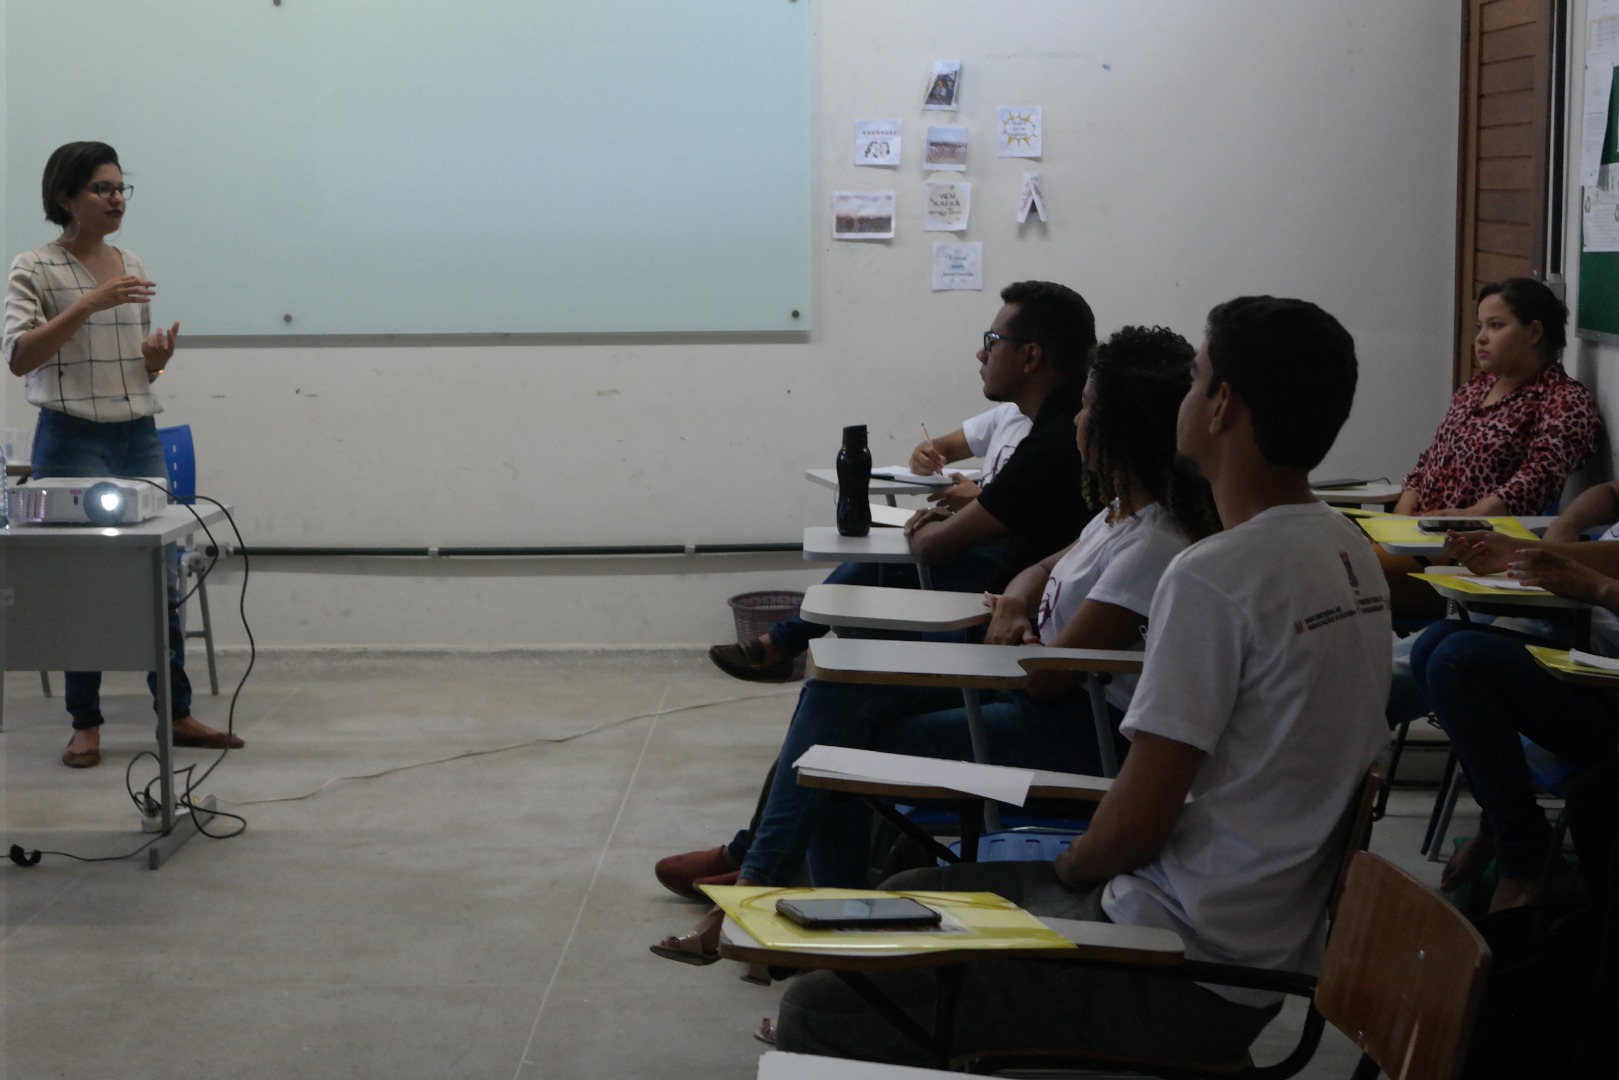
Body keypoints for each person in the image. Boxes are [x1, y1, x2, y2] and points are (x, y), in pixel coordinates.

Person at [770, 296, 1391, 1066]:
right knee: (910, 890)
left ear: (1221, 405)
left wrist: (1061, 879)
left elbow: (1134, 824)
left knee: (820, 1009)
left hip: (1175, 965)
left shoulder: (1215, 575)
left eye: (1197, 379)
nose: (1184, 399)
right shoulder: (1344, 547)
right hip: (1249, 948)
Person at [651, 325, 1220, 965]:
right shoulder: (1121, 514)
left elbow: (1048, 678)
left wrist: (1022, 629)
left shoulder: (1153, 544)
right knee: (835, 697)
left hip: (1079, 730)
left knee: (835, 747)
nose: (1077, 420)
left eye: (1088, 408)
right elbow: (1045, 569)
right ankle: (779, 909)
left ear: (1118, 429)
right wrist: (1019, 599)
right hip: (1034, 691)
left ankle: (792, 918)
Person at [707, 280, 1097, 683]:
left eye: (993, 342)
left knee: (865, 615)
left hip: (1012, 613)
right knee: (869, 589)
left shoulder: (1053, 442)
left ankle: (786, 647)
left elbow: (931, 548)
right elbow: (963, 465)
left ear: (1030, 356)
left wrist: (926, 525)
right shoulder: (1040, 421)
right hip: (1012, 586)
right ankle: (786, 645)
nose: (982, 353)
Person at [1, 141, 242, 768]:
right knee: (80, 582)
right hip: (71, 436)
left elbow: (131, 366)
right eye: (101, 189)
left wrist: (154, 362)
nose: (116, 200)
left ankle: (176, 713)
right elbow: (20, 357)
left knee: (161, 576)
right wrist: (87, 303)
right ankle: (85, 723)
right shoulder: (34, 266)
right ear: (65, 198)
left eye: (120, 188)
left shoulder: (129, 263)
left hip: (137, 435)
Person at [1411, 510, 1619, 911]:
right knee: (1433, 644)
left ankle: (1523, 857)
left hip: (1609, 687)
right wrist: (1520, 553)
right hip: (1593, 661)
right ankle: (1509, 831)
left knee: (1457, 659)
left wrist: (1597, 587)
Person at [1381, 278, 1599, 616]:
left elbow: (1539, 478)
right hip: (1418, 534)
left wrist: (1472, 516)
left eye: (1495, 326)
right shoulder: (1476, 388)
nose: (1481, 338)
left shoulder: (1564, 400)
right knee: (1333, 554)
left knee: (1346, 573)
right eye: (1480, 326)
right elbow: (1430, 458)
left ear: (1534, 332)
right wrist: (1405, 508)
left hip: (1472, 551)